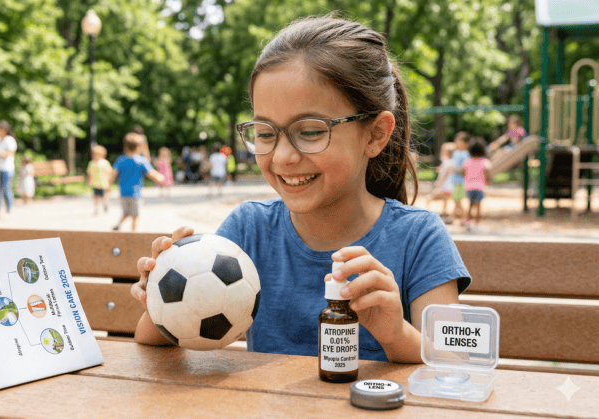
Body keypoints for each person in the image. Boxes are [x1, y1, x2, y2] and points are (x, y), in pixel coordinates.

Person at [130, 16, 470, 363]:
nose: (283, 156)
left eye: (309, 131)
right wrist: (165, 291)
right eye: (264, 133)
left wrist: (395, 334)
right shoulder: (248, 231)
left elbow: (454, 361)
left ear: (375, 134)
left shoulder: (418, 238)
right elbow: (150, 341)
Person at [110, 133, 165, 231]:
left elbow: (113, 174)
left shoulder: (120, 159)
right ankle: (133, 233)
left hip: (123, 193)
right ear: (139, 148)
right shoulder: (141, 160)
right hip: (135, 194)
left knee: (126, 212)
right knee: (135, 215)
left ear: (125, 147)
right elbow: (152, 174)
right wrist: (161, 177)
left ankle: (118, 225)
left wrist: (108, 185)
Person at [463, 139, 492, 232]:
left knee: (470, 205)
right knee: (478, 206)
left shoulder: (467, 161)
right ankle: (477, 224)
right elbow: (486, 174)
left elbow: (464, 173)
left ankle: (468, 222)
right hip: (479, 187)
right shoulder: (484, 162)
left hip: (469, 187)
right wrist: (487, 182)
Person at [426, 142, 456, 221]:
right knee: (447, 200)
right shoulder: (453, 162)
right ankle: (445, 213)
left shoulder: (446, 162)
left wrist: (438, 182)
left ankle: (441, 213)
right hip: (451, 184)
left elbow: (444, 174)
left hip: (445, 184)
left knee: (434, 198)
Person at [450, 132, 471, 225]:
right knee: (456, 200)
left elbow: (465, 168)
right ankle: (456, 218)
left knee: (457, 200)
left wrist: (455, 169)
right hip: (455, 180)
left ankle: (461, 219)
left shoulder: (466, 154)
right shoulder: (456, 153)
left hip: (461, 181)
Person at [87, 145, 112, 214]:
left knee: (104, 197)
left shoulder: (105, 163)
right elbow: (90, 173)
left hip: (104, 183)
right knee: (95, 197)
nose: (95, 156)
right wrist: (89, 181)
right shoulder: (91, 163)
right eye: (94, 154)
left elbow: (109, 173)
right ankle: (96, 208)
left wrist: (109, 183)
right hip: (95, 183)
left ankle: (105, 205)